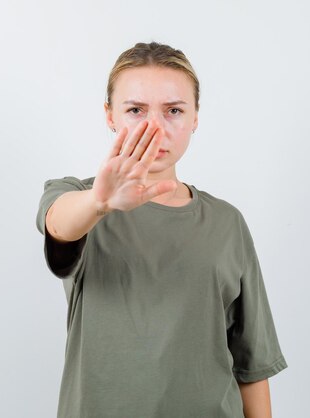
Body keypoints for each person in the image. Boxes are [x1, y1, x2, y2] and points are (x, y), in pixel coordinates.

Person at [35, 41, 288, 417]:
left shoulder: (226, 222)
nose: (155, 127)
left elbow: (251, 364)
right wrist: (99, 204)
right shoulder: (78, 198)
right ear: (110, 115)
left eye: (173, 110)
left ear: (196, 117)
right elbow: (58, 225)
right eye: (135, 109)